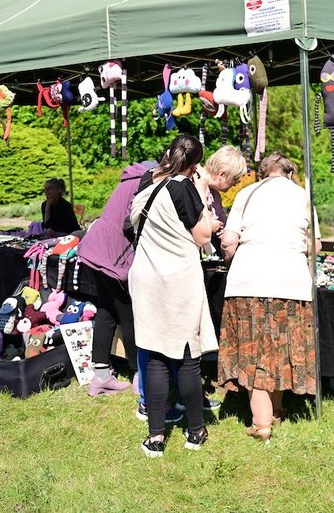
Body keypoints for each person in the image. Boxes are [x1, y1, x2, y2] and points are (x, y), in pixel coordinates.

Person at [218, 152, 320, 443]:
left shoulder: (247, 194)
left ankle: (262, 424)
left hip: (248, 280)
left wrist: (229, 256)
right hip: (290, 283)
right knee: (278, 349)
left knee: (255, 351)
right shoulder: (302, 195)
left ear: (262, 173)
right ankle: (273, 411)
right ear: (290, 173)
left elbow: (229, 240)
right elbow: (314, 242)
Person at [128, 134, 217, 457]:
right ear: (195, 164)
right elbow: (203, 235)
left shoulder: (146, 183)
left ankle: (156, 437)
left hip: (146, 277)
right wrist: (203, 190)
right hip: (178, 278)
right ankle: (196, 431)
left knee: (155, 356)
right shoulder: (184, 188)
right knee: (187, 357)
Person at [76, 161, 160, 398]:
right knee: (129, 314)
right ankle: (138, 376)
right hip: (114, 256)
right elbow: (130, 223)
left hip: (94, 249)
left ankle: (101, 377)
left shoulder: (128, 178)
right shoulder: (147, 182)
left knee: (106, 311)